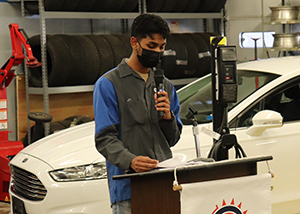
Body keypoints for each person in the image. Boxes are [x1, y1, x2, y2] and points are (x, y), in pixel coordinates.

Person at [93, 13, 182, 214]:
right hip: (128, 189)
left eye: (161, 47)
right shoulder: (109, 84)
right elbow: (105, 138)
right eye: (151, 46)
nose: (157, 52)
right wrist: (130, 160)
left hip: (164, 184)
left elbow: (173, 139)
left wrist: (168, 117)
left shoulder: (165, 85)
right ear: (135, 42)